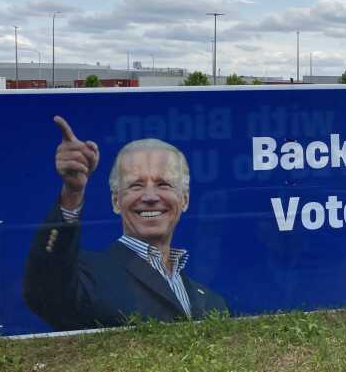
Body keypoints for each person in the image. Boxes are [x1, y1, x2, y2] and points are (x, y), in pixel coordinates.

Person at [23, 115, 229, 332]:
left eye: (164, 184)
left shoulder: (213, 302)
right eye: (136, 185)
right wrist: (72, 193)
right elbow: (44, 288)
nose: (150, 196)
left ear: (185, 200)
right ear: (115, 201)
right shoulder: (88, 274)